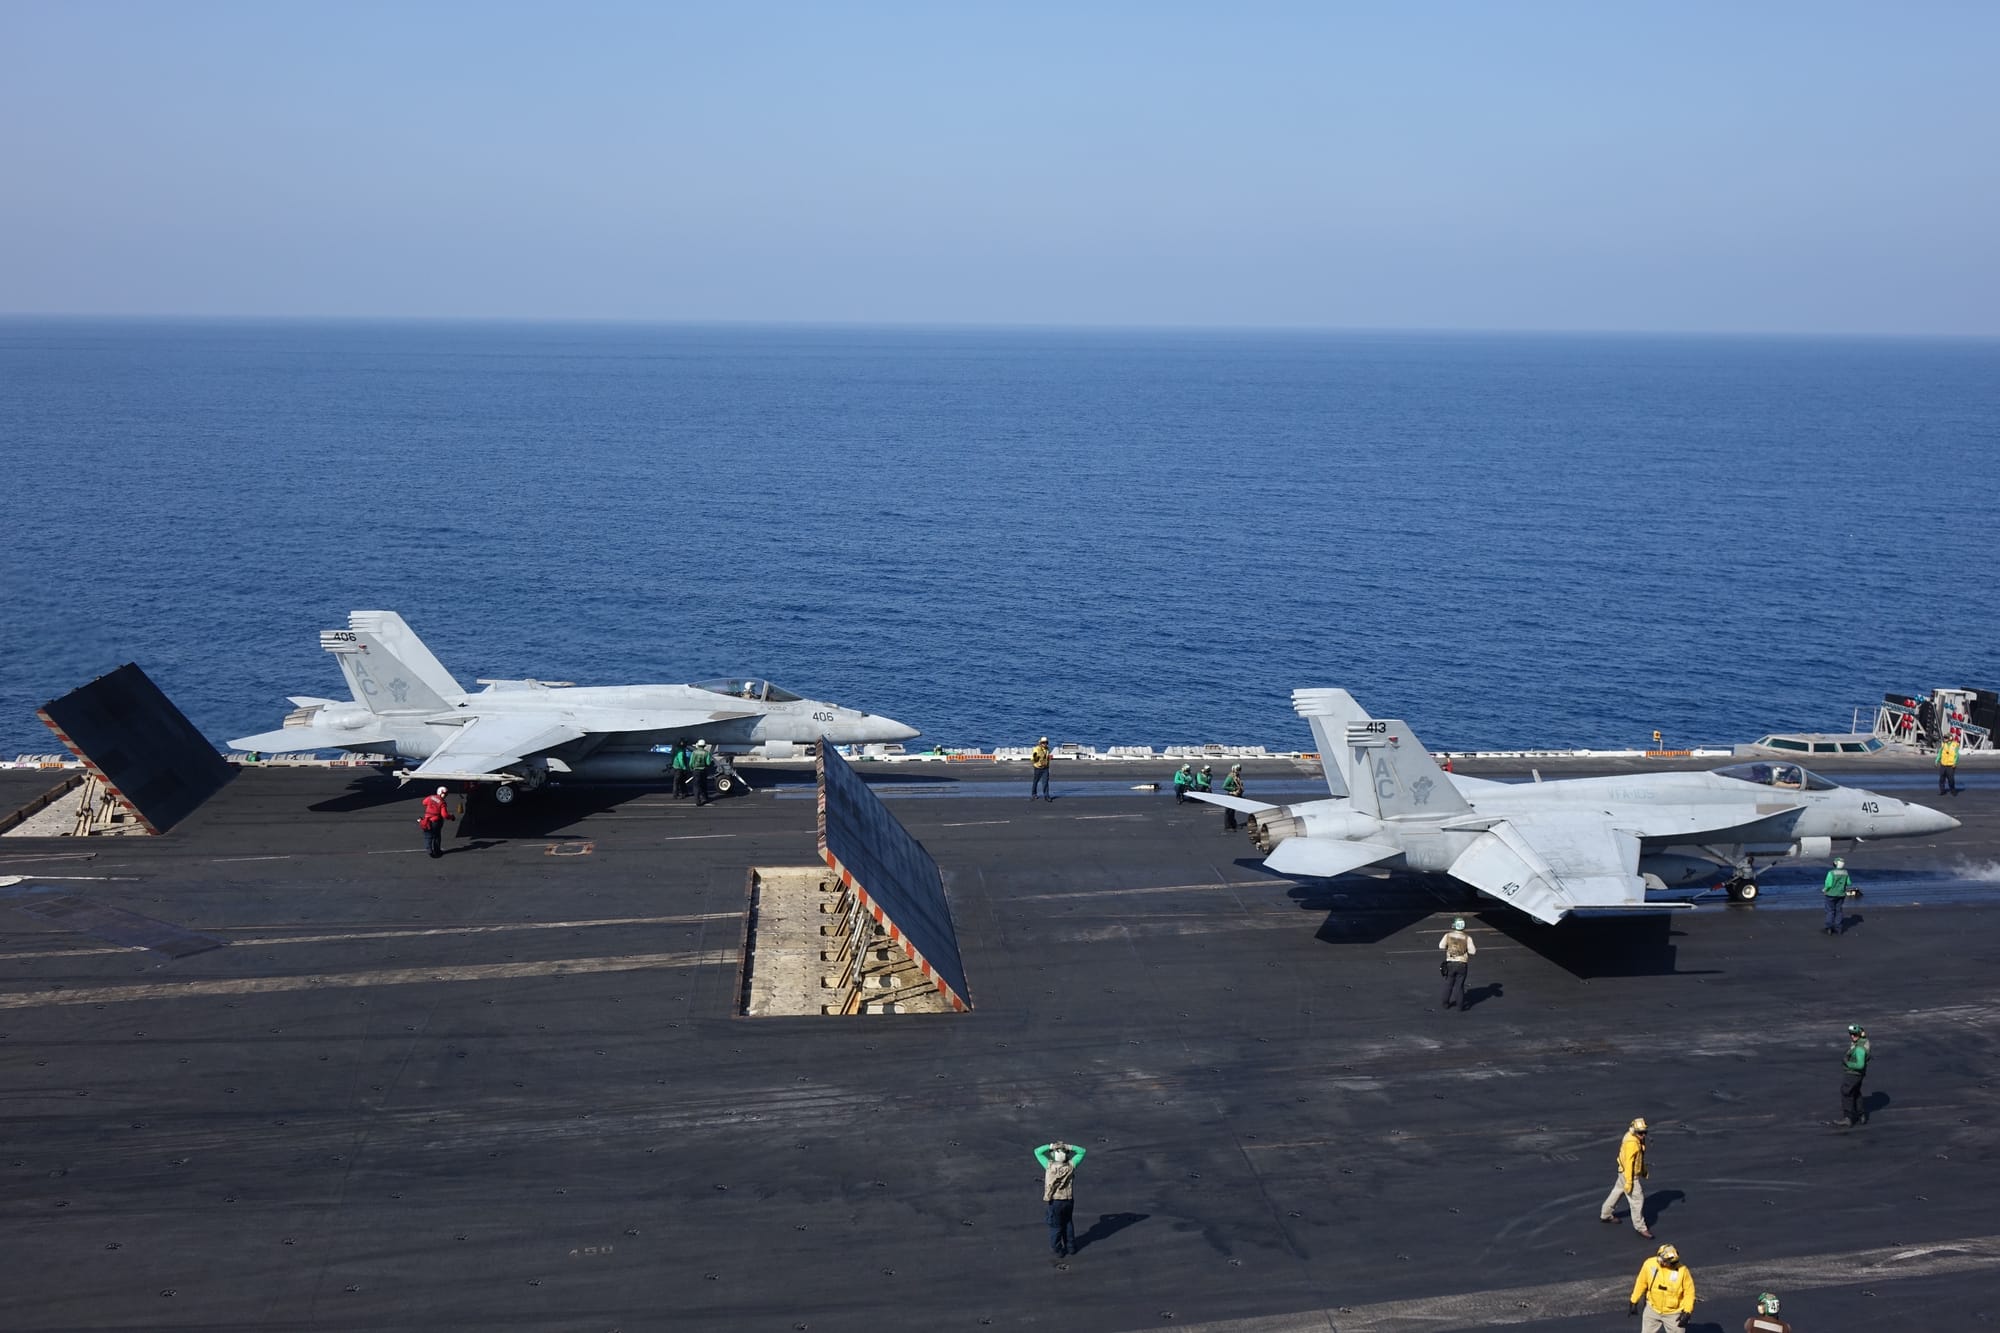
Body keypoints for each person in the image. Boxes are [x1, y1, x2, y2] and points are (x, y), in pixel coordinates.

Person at [1034, 1139, 1087, 1261]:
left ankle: (1058, 1250)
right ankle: (1071, 1247)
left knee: (1056, 1227)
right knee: (1068, 1223)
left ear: (1053, 1155)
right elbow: (1082, 1151)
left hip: (1056, 1201)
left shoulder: (1049, 1166)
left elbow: (1037, 1152)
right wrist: (1068, 1146)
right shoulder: (1071, 1166)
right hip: (1068, 1200)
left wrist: (1051, 1146)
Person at [1601, 1117, 1653, 1236]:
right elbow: (1629, 1164)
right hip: (1629, 1175)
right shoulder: (1632, 1144)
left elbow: (1639, 1158)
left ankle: (1605, 1214)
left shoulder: (1634, 1138)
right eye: (1641, 1133)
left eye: (1645, 1132)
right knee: (1637, 1200)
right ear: (1634, 1131)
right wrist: (1630, 1182)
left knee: (1618, 1191)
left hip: (1622, 1172)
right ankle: (1641, 1227)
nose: (1643, 1135)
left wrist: (1643, 1169)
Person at [1628, 1244, 1695, 1331]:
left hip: (1673, 1314)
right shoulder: (1649, 1264)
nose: (1664, 1263)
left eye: (1668, 1262)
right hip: (1652, 1310)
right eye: (1663, 1261)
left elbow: (1689, 1292)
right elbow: (1641, 1282)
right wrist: (1634, 1300)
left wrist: (1687, 1312)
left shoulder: (1682, 1271)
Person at [1438, 917, 1475, 1010]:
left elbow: (1441, 946)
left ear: (1454, 925)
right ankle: (1460, 1007)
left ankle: (1445, 1004)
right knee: (1459, 986)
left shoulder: (1447, 935)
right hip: (1462, 964)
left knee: (1448, 984)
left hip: (1450, 963)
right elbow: (1472, 951)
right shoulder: (1467, 938)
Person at [1840, 1023, 1870, 1127]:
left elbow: (1860, 1065)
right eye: (1851, 1034)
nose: (1852, 1036)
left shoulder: (1859, 1048)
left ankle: (1848, 1118)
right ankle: (1861, 1114)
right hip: (1859, 1075)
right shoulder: (1863, 1041)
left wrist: (1848, 1063)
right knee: (1856, 1092)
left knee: (1846, 1092)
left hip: (1853, 1074)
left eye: (1854, 1034)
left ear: (1859, 1034)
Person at [1821, 858, 1854, 934]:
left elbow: (1828, 884)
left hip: (1830, 894)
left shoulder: (1831, 873)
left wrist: (1825, 889)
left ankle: (1829, 927)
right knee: (1839, 911)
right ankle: (1838, 928)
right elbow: (1849, 883)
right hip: (1841, 894)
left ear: (1835, 864)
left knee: (1830, 911)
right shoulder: (1845, 872)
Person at [419, 786, 452, 859]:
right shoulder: (442, 802)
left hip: (426, 821)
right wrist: (451, 817)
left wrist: (431, 805)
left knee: (428, 836)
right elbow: (444, 815)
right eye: (445, 794)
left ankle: (429, 850)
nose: (446, 796)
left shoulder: (431, 797)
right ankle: (437, 851)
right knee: (437, 836)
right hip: (436, 822)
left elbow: (424, 802)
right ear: (440, 793)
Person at [1221, 763, 1245, 831]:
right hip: (1231, 795)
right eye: (1238, 769)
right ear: (1234, 769)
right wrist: (1233, 789)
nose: (1239, 771)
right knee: (1228, 812)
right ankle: (1228, 826)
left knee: (1232, 811)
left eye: (1239, 769)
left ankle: (1233, 824)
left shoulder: (1237, 776)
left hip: (1236, 795)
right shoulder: (1230, 777)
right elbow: (1224, 786)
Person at [690, 739, 714, 807]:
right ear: (704, 746)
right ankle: (705, 798)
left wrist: (692, 769)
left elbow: (691, 763)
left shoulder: (694, 752)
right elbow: (708, 763)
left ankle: (697, 800)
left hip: (696, 771)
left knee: (696, 786)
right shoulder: (706, 753)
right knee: (703, 785)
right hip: (703, 771)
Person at [1029, 737, 1053, 802]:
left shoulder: (1047, 749)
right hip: (1038, 768)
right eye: (1043, 742)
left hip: (1045, 768)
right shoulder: (1037, 749)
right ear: (1040, 743)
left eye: (1046, 742)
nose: (1044, 744)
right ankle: (1034, 794)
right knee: (1035, 782)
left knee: (1045, 782)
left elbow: (1047, 757)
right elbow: (1033, 758)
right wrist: (1035, 757)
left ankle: (1046, 796)